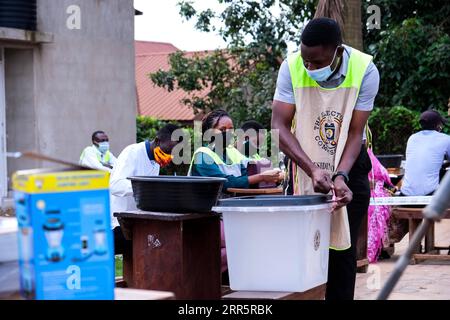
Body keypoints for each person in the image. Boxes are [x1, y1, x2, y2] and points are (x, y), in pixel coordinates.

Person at [271, 18, 379, 300]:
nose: (310, 68)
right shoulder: (291, 67)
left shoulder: (365, 70)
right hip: (304, 167)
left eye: (317, 62)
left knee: (342, 252)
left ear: (337, 51)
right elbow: (278, 128)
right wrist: (312, 169)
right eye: (306, 60)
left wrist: (340, 176)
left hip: (350, 168)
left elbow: (356, 134)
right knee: (305, 250)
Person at [109, 124, 180, 253]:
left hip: (137, 222)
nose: (169, 156)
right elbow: (115, 185)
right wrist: (146, 188)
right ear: (157, 141)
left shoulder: (155, 163)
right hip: (118, 224)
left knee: (164, 243)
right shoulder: (132, 153)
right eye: (168, 151)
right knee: (153, 249)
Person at [188, 110, 283, 191]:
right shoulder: (202, 155)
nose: (229, 133)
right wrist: (262, 177)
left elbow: (248, 175)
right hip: (205, 208)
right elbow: (224, 183)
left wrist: (274, 175)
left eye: (231, 129)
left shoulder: (232, 152)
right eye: (222, 129)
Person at [401, 110, 450, 196]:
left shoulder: (412, 138)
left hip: (405, 193)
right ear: (438, 125)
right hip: (429, 195)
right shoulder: (445, 139)